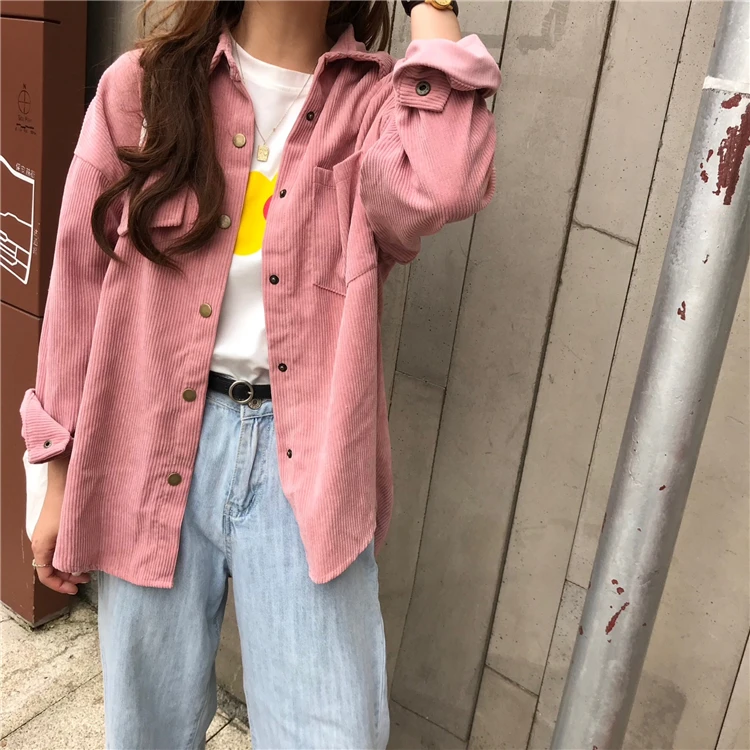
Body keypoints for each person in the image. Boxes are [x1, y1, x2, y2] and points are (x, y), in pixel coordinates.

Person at [20, 0, 499, 747]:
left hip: (306, 461)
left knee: (332, 733)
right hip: (148, 445)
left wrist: (433, 5)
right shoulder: (142, 89)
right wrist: (53, 474)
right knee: (146, 731)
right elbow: (79, 282)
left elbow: (444, 186)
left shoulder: (380, 108)